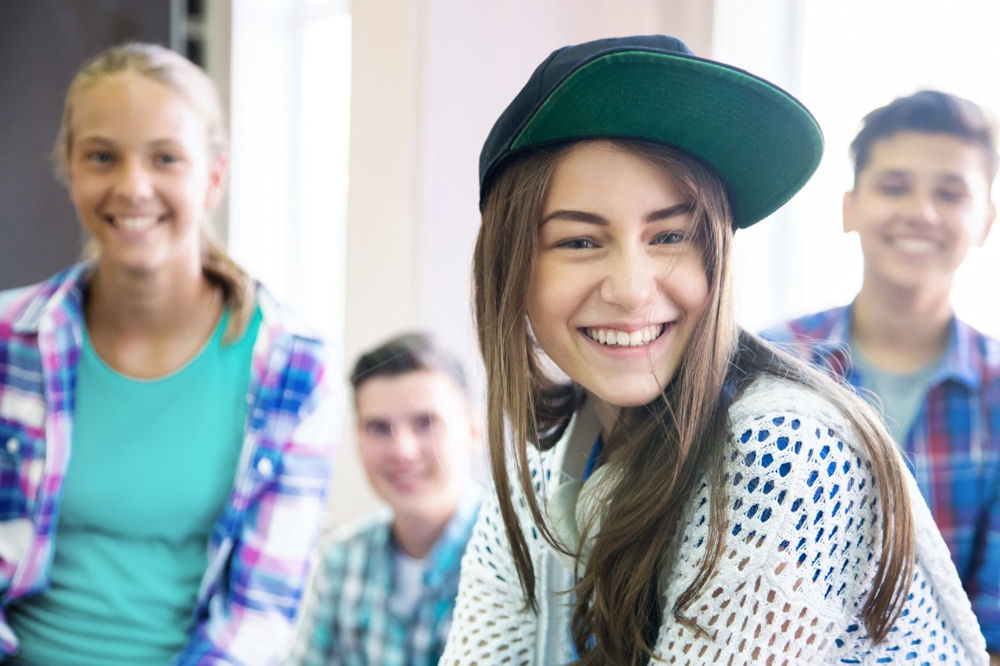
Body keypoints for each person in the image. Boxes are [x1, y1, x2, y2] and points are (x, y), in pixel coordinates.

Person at [438, 35, 988, 665]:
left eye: (670, 235)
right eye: (579, 242)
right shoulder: (548, 462)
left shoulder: (785, 453)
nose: (630, 290)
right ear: (511, 267)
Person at [0, 43, 336, 664]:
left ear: (213, 176)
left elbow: (261, 616)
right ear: (70, 170)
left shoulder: (290, 365)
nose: (133, 186)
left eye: (166, 158)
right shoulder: (8, 340)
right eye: (103, 156)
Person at [761, 90, 1000, 658]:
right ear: (850, 208)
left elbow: (993, 632)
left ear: (985, 220)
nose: (921, 211)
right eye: (895, 187)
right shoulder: (771, 364)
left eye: (950, 192)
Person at [285, 332, 481, 665]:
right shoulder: (340, 561)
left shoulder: (519, 557)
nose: (402, 450)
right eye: (378, 428)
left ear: (474, 429)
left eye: (425, 423)